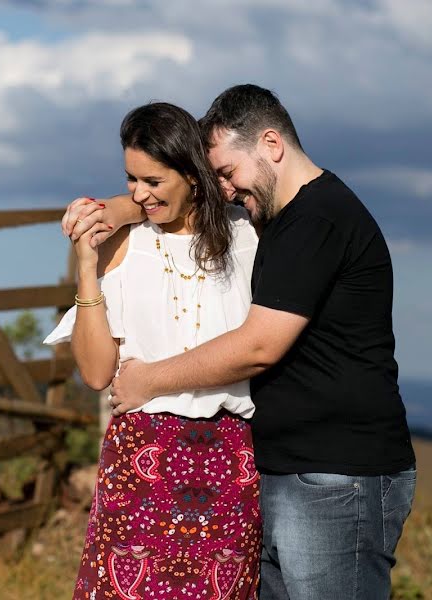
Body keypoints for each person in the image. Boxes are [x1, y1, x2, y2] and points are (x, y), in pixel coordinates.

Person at [63, 84, 417, 600]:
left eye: (226, 173)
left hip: (295, 467)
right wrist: (110, 223)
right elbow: (96, 372)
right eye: (130, 180)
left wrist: (148, 379)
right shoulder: (272, 218)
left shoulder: (284, 227)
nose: (227, 188)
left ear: (270, 144)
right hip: (232, 463)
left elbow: (258, 346)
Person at [44, 101, 262, 599]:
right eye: (131, 180)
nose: (139, 194)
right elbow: (97, 374)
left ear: (191, 173)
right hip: (141, 455)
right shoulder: (125, 244)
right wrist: (85, 266)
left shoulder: (248, 239)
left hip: (229, 458)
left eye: (153, 181)